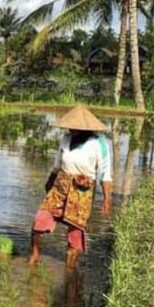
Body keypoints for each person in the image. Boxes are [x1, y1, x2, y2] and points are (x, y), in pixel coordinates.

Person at [29, 105, 112, 269]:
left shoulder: (99, 144)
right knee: (40, 220)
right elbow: (57, 165)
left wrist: (106, 198)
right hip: (60, 185)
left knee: (75, 230)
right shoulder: (66, 139)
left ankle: (70, 267)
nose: (70, 128)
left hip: (82, 190)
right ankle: (34, 255)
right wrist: (49, 182)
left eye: (74, 127)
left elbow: (105, 173)